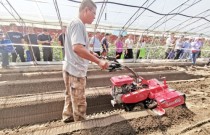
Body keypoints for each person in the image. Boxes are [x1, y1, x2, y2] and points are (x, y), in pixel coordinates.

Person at [62, 0, 108, 123]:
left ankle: (68, 118)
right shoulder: (78, 24)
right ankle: (80, 126)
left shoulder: (74, 23)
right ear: (86, 10)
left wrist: (91, 53)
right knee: (79, 102)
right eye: (93, 13)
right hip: (76, 71)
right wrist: (99, 62)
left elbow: (80, 46)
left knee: (69, 96)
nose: (94, 17)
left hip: (69, 67)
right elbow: (77, 48)